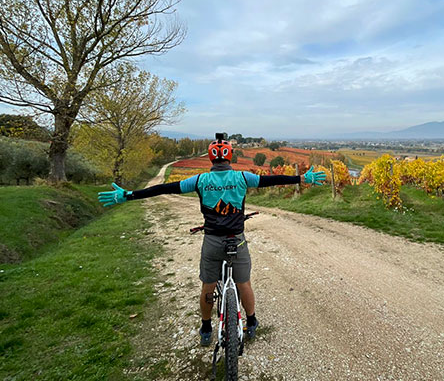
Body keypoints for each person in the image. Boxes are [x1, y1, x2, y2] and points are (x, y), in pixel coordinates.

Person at [98, 133, 326, 346]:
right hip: (236, 239)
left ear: (211, 158)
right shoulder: (242, 177)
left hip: (212, 241)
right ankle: (252, 321)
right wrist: (302, 177)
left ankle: (206, 328)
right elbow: (272, 180)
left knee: (208, 285)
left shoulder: (199, 181)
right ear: (230, 157)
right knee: (243, 282)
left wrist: (130, 195)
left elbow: (164, 188)